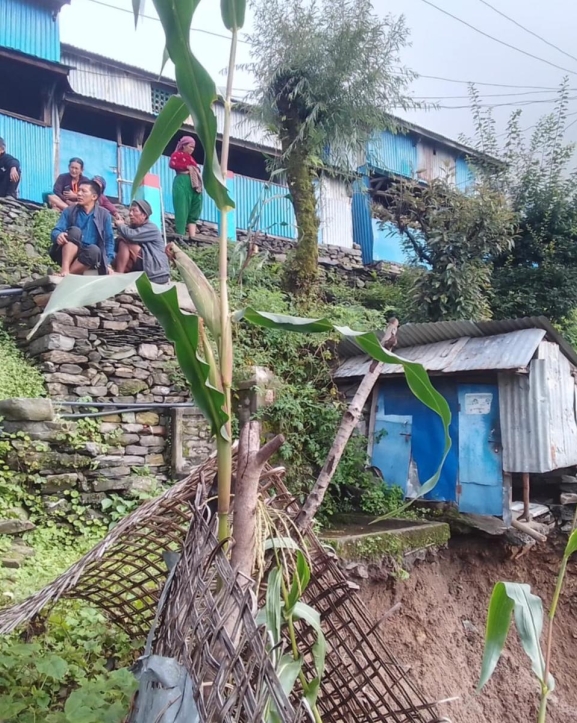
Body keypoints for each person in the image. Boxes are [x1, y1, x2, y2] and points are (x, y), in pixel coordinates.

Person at [49, 180, 115, 276]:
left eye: (83, 191)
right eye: (79, 190)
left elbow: (109, 241)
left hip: (87, 259)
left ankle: (67, 274)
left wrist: (108, 263)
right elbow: (56, 230)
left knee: (95, 249)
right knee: (75, 231)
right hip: (66, 253)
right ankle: (65, 269)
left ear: (94, 197)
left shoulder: (104, 215)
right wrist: (58, 235)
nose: (79, 194)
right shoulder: (70, 210)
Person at [113, 200, 170, 284]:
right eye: (130, 210)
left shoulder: (151, 228)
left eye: (134, 211)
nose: (130, 214)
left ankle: (118, 276)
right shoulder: (134, 227)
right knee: (121, 244)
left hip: (156, 273)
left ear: (144, 215)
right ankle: (119, 274)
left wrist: (121, 225)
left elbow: (131, 235)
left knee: (125, 242)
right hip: (147, 269)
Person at [169, 135, 203, 239]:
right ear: (183, 145)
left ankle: (192, 236)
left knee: (195, 208)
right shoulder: (177, 155)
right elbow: (172, 164)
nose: (192, 149)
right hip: (182, 182)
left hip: (194, 184)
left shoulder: (191, 159)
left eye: (193, 147)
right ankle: (181, 234)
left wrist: (193, 171)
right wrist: (187, 168)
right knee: (182, 208)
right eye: (190, 146)